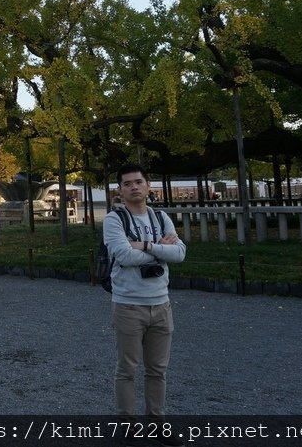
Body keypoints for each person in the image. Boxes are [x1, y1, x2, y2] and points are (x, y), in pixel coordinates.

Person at [104, 163, 185, 445]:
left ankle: (157, 423)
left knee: (158, 370)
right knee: (127, 369)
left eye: (139, 181)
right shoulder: (115, 220)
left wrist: (146, 247)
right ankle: (126, 424)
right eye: (128, 184)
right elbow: (124, 256)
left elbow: (181, 253)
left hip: (161, 304)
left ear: (149, 186)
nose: (134, 187)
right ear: (120, 190)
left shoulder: (161, 217)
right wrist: (161, 250)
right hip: (128, 305)